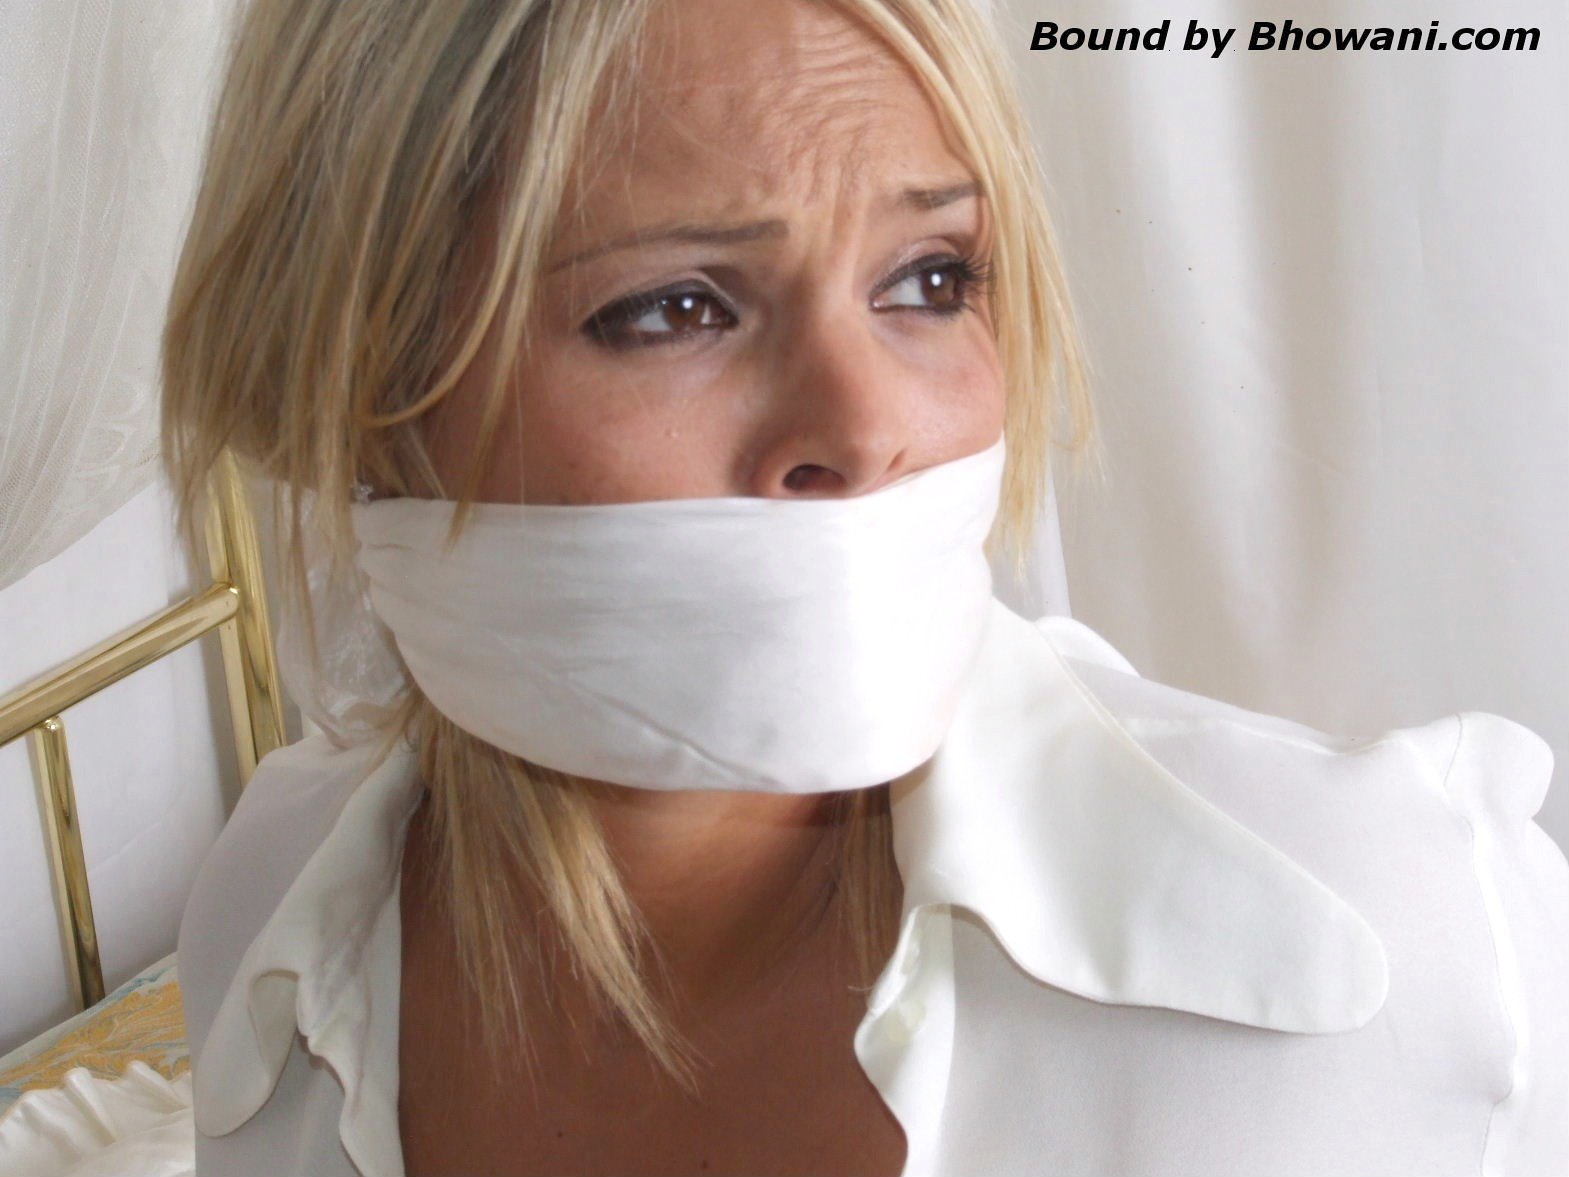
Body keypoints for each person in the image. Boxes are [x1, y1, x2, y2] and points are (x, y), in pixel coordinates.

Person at [162, 0, 1569, 1174]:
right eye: (675, 307)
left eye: (930, 280)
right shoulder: (272, 918)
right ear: (358, 391)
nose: (868, 423)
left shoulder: (1399, 942)